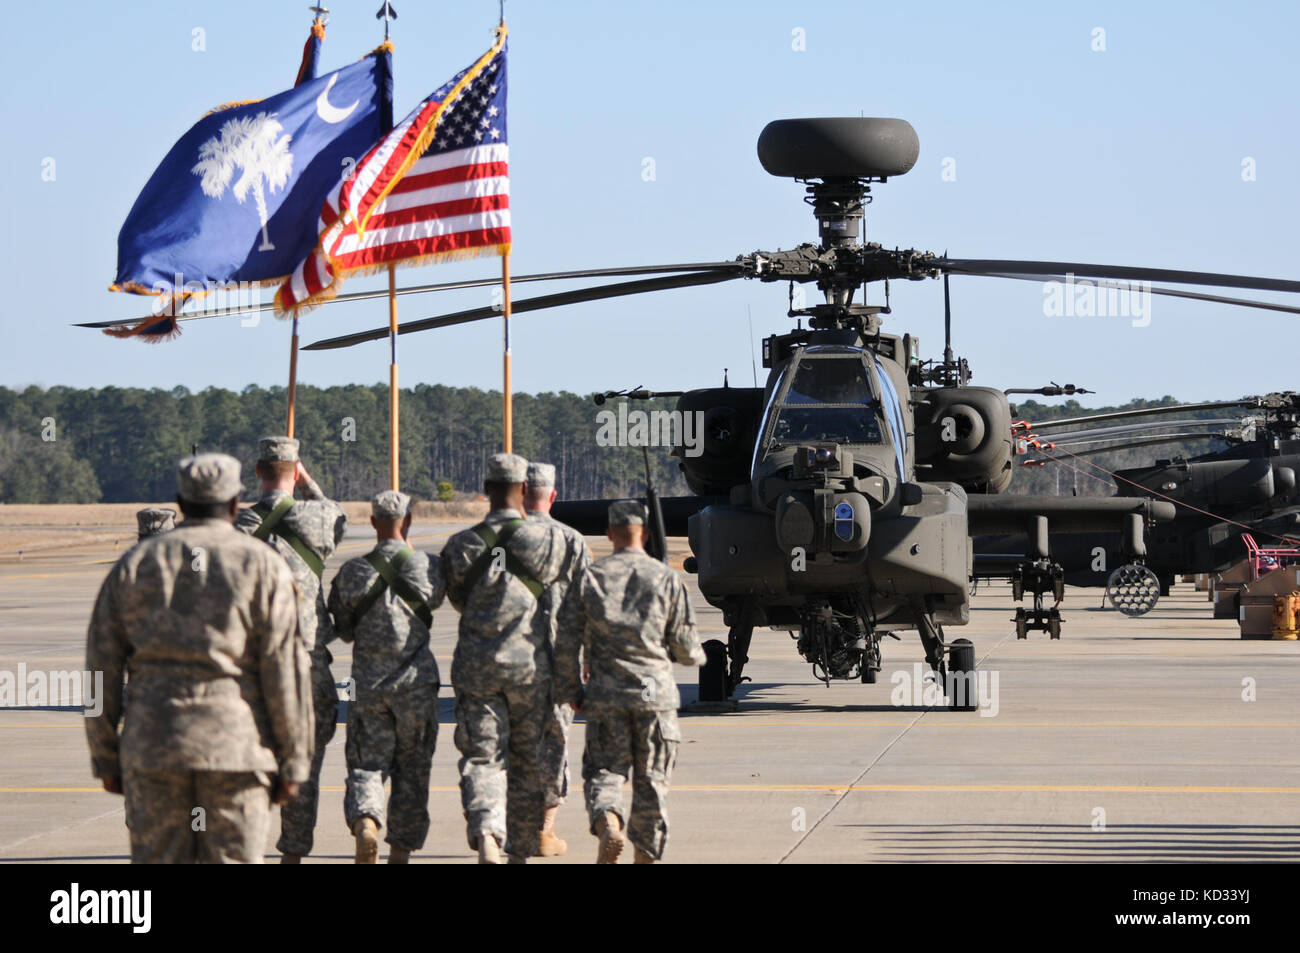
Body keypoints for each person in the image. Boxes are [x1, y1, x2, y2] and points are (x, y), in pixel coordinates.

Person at [85, 453, 312, 863]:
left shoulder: (136, 565)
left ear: (181, 503)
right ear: (233, 504)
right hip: (237, 753)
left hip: (154, 749)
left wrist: (105, 755)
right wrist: (294, 760)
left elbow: (100, 671)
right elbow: (285, 672)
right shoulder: (261, 566)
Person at [555, 500, 705, 864]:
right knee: (652, 782)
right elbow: (686, 650)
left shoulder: (590, 578)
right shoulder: (666, 578)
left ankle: (608, 818)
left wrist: (572, 690)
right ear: (648, 534)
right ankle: (646, 855)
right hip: (655, 697)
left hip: (607, 695)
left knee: (604, 771)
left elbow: (565, 642)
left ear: (609, 534)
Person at [439, 452, 567, 864]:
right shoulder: (554, 540)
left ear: (485, 491)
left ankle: (486, 834)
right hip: (531, 666)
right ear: (526, 491)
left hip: (477, 664)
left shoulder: (460, 545)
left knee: (482, 755)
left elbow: (459, 599)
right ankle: (521, 846)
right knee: (529, 758)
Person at [236, 435, 347, 863]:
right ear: (296, 471)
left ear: (257, 471)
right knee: (307, 763)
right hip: (308, 662)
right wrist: (306, 482)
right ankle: (294, 854)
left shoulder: (241, 528)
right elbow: (336, 516)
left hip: (256, 666)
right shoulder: (319, 519)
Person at [328, 490, 443, 864]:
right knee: (412, 769)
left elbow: (343, 629)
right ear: (409, 521)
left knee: (366, 762)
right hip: (416, 685)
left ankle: (366, 820)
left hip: (370, 687)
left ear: (373, 522)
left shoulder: (353, 572)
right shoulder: (429, 569)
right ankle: (400, 851)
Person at [523, 461, 591, 856]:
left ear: (519, 494)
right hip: (557, 661)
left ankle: (495, 828)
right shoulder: (572, 541)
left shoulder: (497, 540)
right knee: (553, 744)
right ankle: (544, 832)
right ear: (552, 496)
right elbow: (587, 604)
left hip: (504, 664)